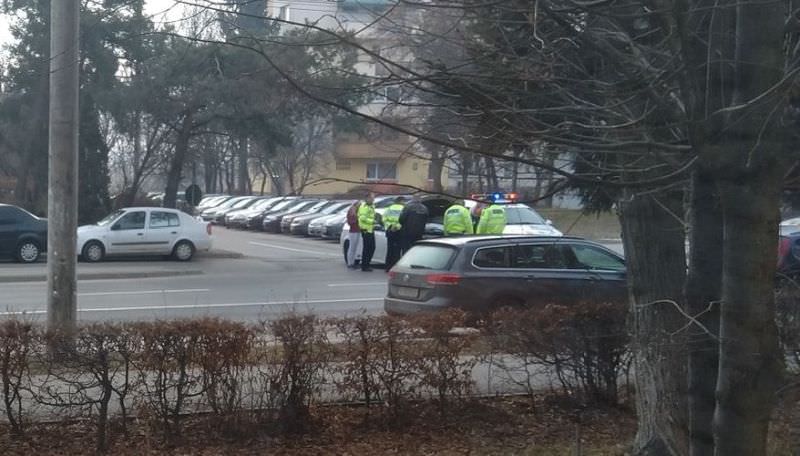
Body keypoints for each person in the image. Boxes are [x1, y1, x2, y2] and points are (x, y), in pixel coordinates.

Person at [383, 196, 406, 270]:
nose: (404, 202)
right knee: (397, 250)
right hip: (398, 231)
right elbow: (403, 221)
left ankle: (388, 267)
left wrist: (390, 226)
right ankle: (395, 267)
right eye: (404, 201)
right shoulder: (403, 209)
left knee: (390, 249)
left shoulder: (389, 208)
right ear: (401, 201)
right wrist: (397, 227)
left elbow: (384, 219)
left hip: (390, 231)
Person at [357, 193, 377, 271]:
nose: (373, 199)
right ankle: (365, 265)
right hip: (365, 230)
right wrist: (372, 221)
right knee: (367, 248)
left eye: (373, 198)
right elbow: (362, 218)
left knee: (371, 247)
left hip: (370, 229)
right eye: (372, 198)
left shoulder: (372, 206)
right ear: (367, 198)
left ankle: (367, 264)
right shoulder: (363, 207)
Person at [345, 200, 362, 268]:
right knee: (352, 247)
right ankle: (350, 263)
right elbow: (350, 222)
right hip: (353, 231)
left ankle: (353, 262)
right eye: (358, 204)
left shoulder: (358, 211)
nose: (360, 205)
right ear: (355, 205)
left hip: (358, 231)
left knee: (355, 248)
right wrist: (356, 219)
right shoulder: (351, 212)